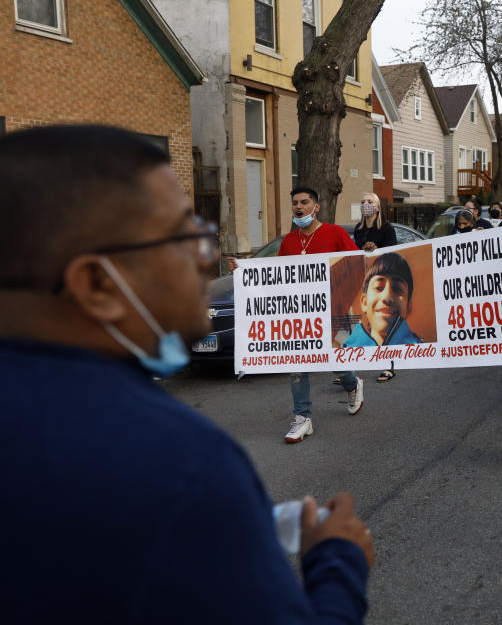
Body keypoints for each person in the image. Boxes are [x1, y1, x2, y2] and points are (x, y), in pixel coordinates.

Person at [0, 125, 373, 622]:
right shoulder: (179, 462)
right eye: (182, 238)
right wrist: (338, 559)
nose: (204, 262)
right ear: (97, 284)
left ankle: (349, 382)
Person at [277, 187, 364, 442]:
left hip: (331, 310)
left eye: (304, 202)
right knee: (297, 364)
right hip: (299, 313)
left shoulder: (335, 233)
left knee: (331, 359)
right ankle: (302, 418)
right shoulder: (288, 241)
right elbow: (273, 276)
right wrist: (241, 269)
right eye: (295, 203)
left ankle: (353, 384)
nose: (299, 207)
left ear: (316, 207)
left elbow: (355, 263)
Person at [352, 192, 401, 382]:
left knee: (384, 323)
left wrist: (376, 249)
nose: (365, 204)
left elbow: (392, 252)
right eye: (362, 201)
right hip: (364, 280)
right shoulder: (358, 229)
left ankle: (389, 366)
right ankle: (351, 370)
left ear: (378, 207)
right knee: (360, 324)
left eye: (370, 201)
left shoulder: (387, 229)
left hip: (383, 282)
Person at [343, 253, 422, 347]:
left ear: (408, 306)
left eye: (397, 289)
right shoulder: (344, 355)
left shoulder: (425, 354)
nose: (387, 297)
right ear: (364, 302)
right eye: (378, 288)